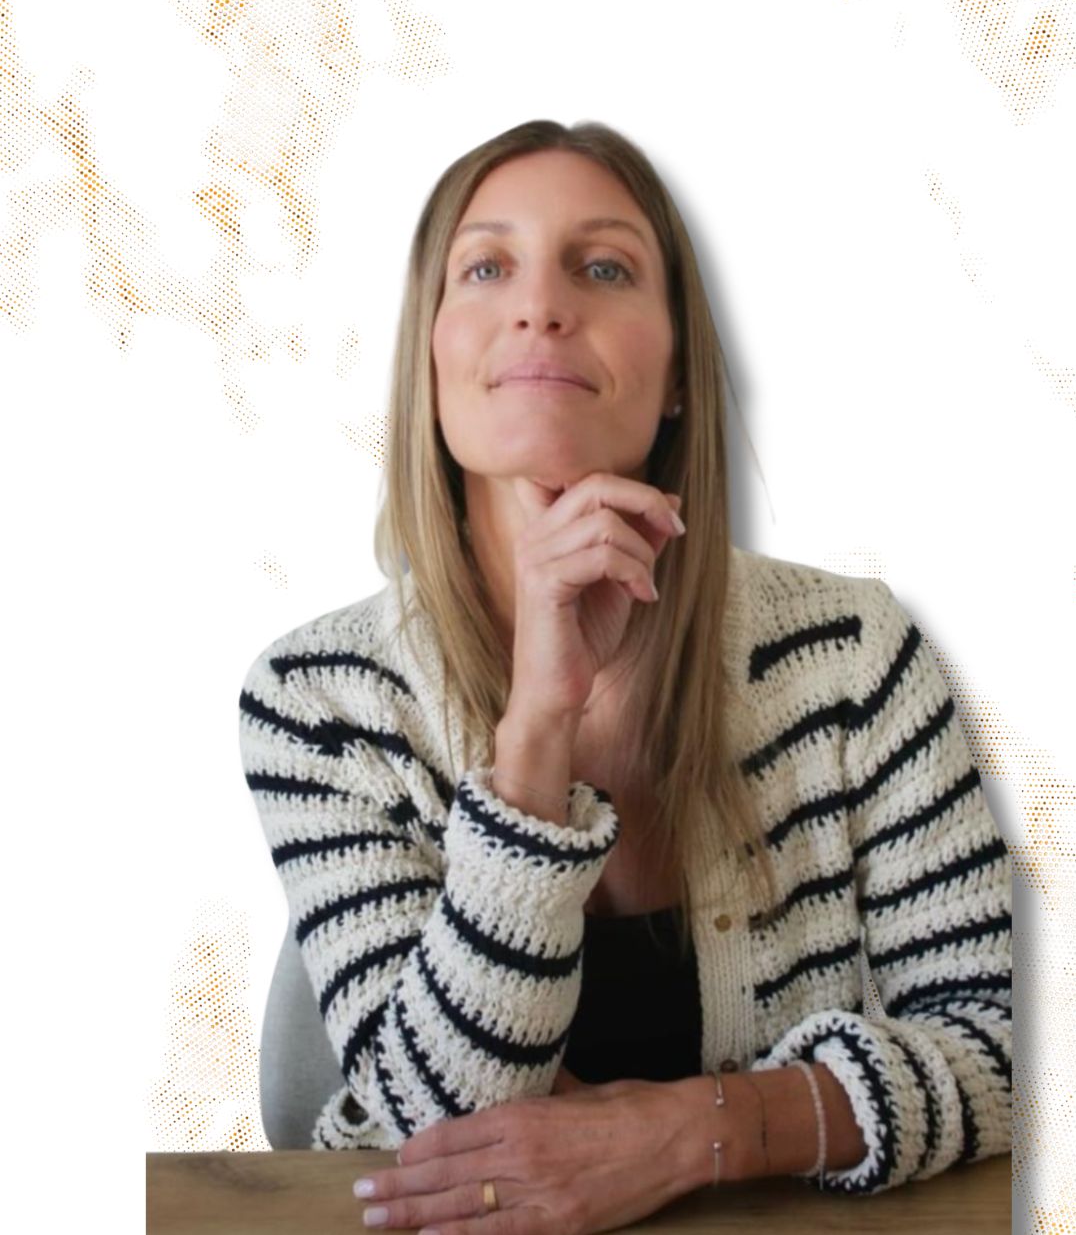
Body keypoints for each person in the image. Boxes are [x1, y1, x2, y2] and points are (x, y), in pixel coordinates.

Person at [237, 118, 1012, 1231]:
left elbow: (1001, 1053)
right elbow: (438, 1136)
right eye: (486, 267)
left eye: (602, 268)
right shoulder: (318, 700)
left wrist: (688, 1133)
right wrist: (537, 726)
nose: (540, 306)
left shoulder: (855, 655)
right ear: (432, 360)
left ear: (681, 372)